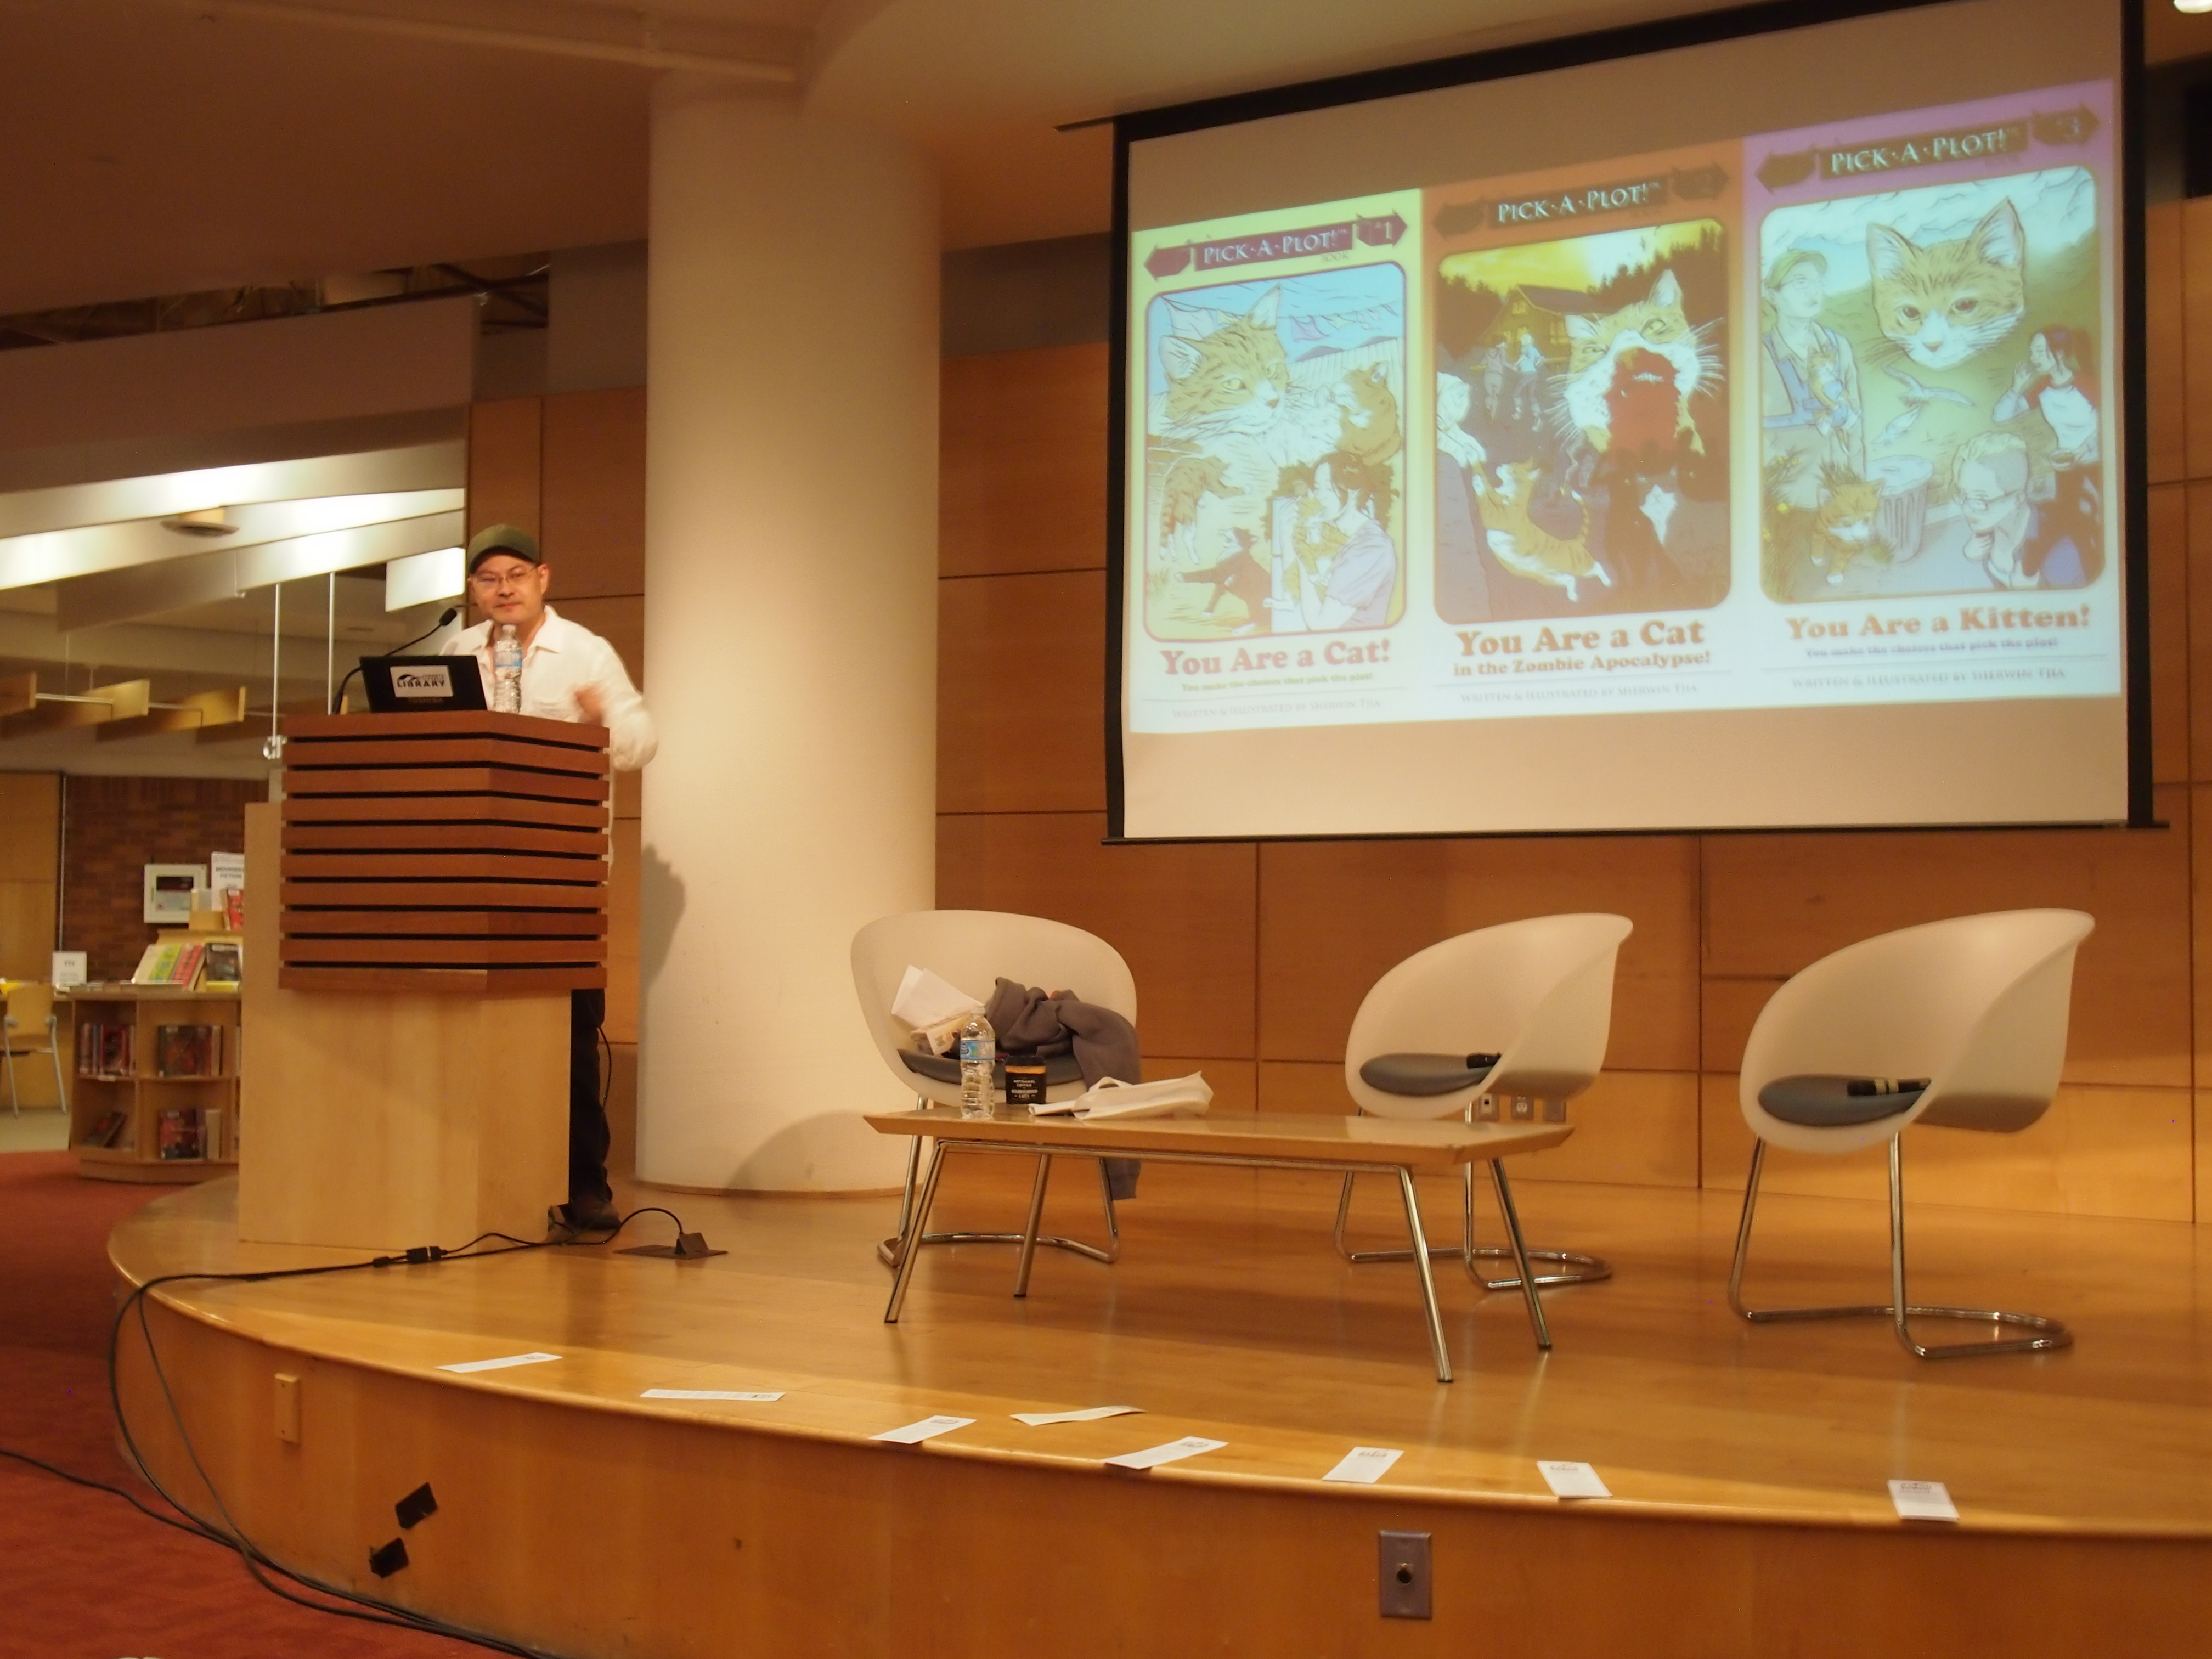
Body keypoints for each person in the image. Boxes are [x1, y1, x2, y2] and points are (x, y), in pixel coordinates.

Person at [445, 523, 658, 1233]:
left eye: (515, 575)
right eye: (488, 579)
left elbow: (643, 742)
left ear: (543, 579)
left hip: (560, 875)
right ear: (473, 591)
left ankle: (582, 1186)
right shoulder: (456, 654)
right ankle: (475, 1176)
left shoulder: (584, 651)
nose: (502, 589)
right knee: (472, 1034)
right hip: (467, 873)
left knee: (567, 1039)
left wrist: (602, 723)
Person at [1760, 249, 1865, 507]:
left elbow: (1855, 425)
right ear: (1773, 296)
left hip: (1840, 497)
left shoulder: (1839, 347)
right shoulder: (1757, 354)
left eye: (1818, 282)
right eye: (1801, 283)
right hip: (1786, 501)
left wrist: (1859, 489)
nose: (1814, 290)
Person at [1995, 326, 2100, 545]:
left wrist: (2085, 448)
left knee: (2116, 504)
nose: (2034, 359)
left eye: (2040, 352)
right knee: (2067, 516)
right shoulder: (2042, 388)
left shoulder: (2086, 384)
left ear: (2060, 353)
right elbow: (2000, 417)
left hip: (2098, 458)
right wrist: (2016, 388)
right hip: (2066, 461)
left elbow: (2110, 423)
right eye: (2032, 353)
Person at [1952, 431, 2090, 591]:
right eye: (1962, 495)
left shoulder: (2059, 550)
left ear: (2018, 498)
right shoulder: (1988, 530)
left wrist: (2036, 591)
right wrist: (1972, 554)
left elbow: (2078, 602)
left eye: (1980, 499)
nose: (1966, 508)